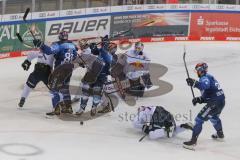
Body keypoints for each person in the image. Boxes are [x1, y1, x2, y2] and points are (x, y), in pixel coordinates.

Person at [33, 31, 78, 115]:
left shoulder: (58, 44)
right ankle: (68, 108)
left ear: (60, 37)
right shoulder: (72, 45)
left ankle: (56, 109)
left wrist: (41, 45)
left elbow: (49, 51)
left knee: (53, 89)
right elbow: (75, 56)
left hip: (60, 69)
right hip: (69, 69)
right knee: (65, 88)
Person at [184, 62, 225, 150]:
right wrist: (199, 99)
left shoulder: (204, 78)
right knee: (213, 117)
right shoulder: (209, 77)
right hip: (221, 102)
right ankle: (220, 134)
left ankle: (193, 141)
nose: (197, 73)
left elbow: (205, 86)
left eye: (197, 71)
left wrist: (194, 83)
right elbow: (209, 94)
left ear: (200, 70)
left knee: (198, 120)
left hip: (214, 103)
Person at [75, 35, 112, 116]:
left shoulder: (107, 54)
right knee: (86, 91)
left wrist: (77, 53)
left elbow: (107, 59)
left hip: (100, 75)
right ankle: (83, 108)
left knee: (96, 92)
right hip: (91, 74)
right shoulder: (95, 50)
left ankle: (94, 107)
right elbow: (89, 56)